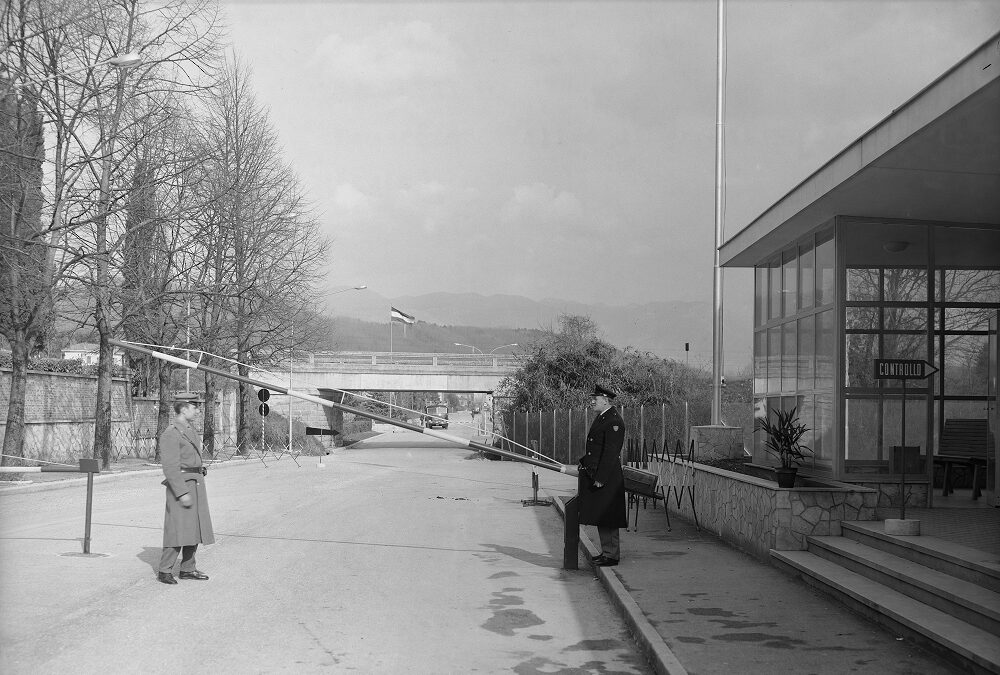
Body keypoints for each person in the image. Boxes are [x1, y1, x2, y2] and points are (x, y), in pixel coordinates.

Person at [157, 396, 214, 585]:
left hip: (195, 483)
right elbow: (170, 467)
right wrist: (181, 493)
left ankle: (188, 569)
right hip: (181, 485)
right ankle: (165, 570)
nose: (197, 411)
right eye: (194, 407)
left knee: (194, 528)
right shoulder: (171, 433)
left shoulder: (188, 429)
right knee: (176, 529)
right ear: (183, 409)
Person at [575, 383, 627, 567]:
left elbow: (610, 452)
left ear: (605, 400)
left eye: (595, 399)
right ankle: (606, 552)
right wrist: (585, 462)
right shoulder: (603, 417)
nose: (592, 402)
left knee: (608, 515)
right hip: (599, 473)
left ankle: (612, 555)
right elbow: (596, 449)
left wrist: (601, 477)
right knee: (601, 514)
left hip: (608, 476)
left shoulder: (614, 421)